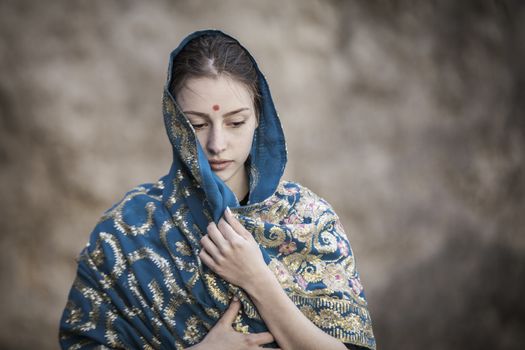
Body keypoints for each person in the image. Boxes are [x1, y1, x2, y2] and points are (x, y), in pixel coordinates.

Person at [59, 29, 376, 350]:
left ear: (259, 119)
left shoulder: (309, 220)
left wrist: (256, 278)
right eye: (196, 125)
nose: (217, 144)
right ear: (174, 123)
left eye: (236, 122)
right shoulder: (125, 231)